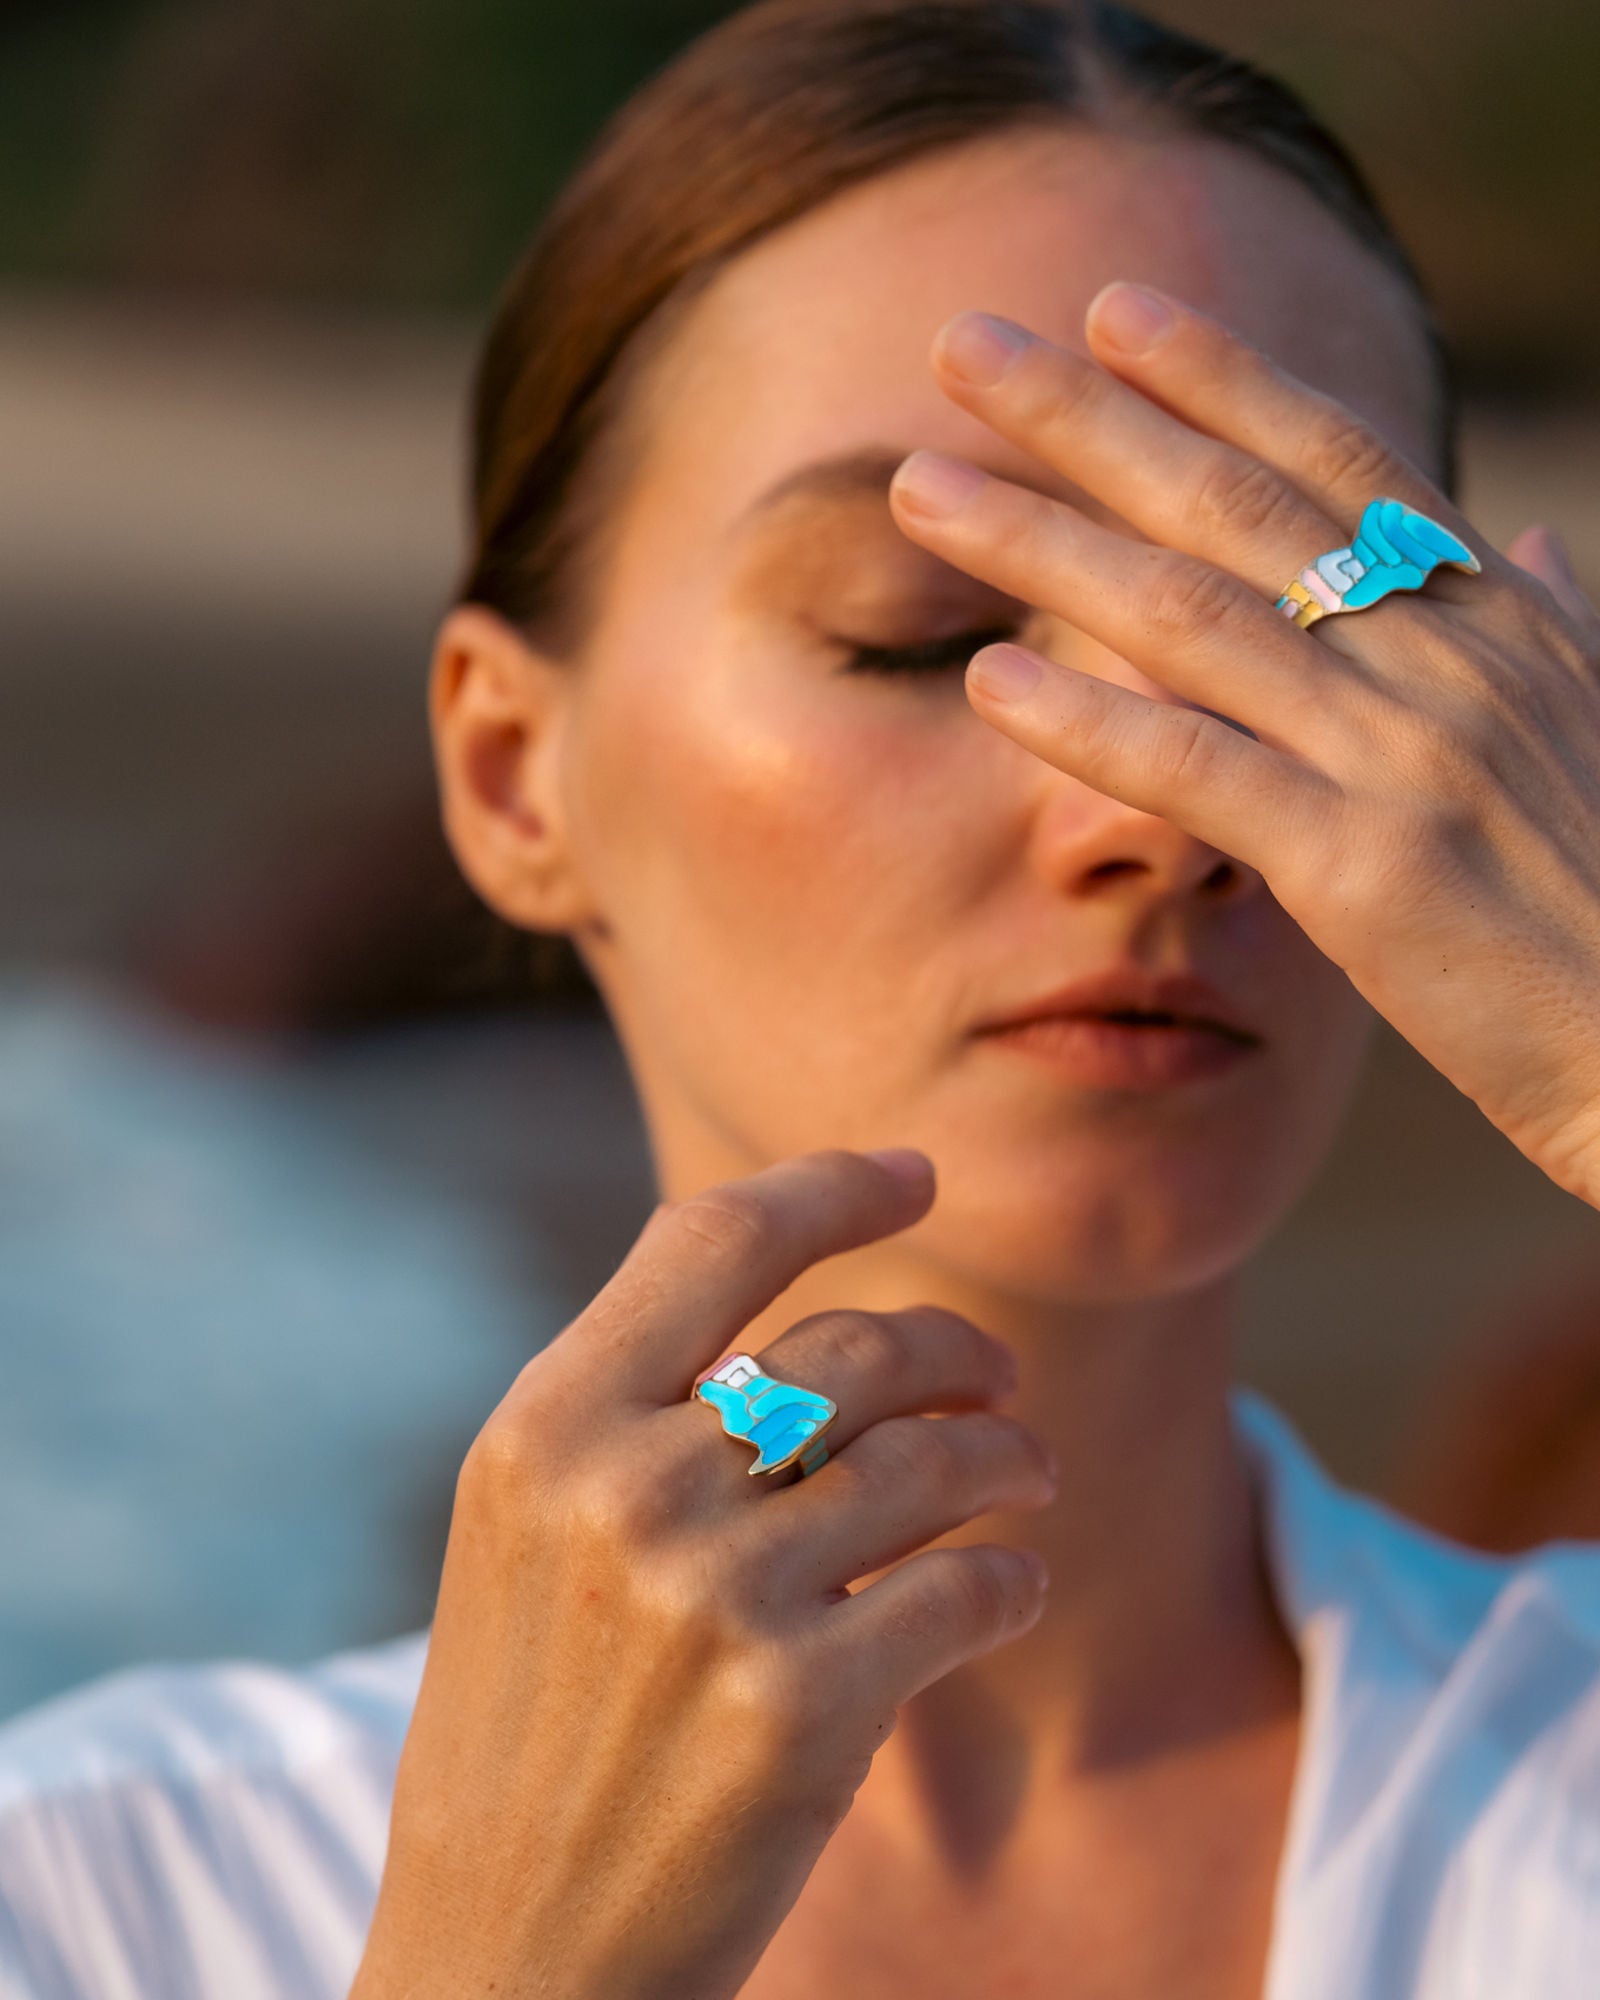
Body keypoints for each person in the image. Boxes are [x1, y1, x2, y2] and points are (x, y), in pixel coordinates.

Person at [4, 1, 1599, 1994]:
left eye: (1294, 659)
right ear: (511, 774)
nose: (1150, 814)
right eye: (916, 636)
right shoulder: (87, 1898)